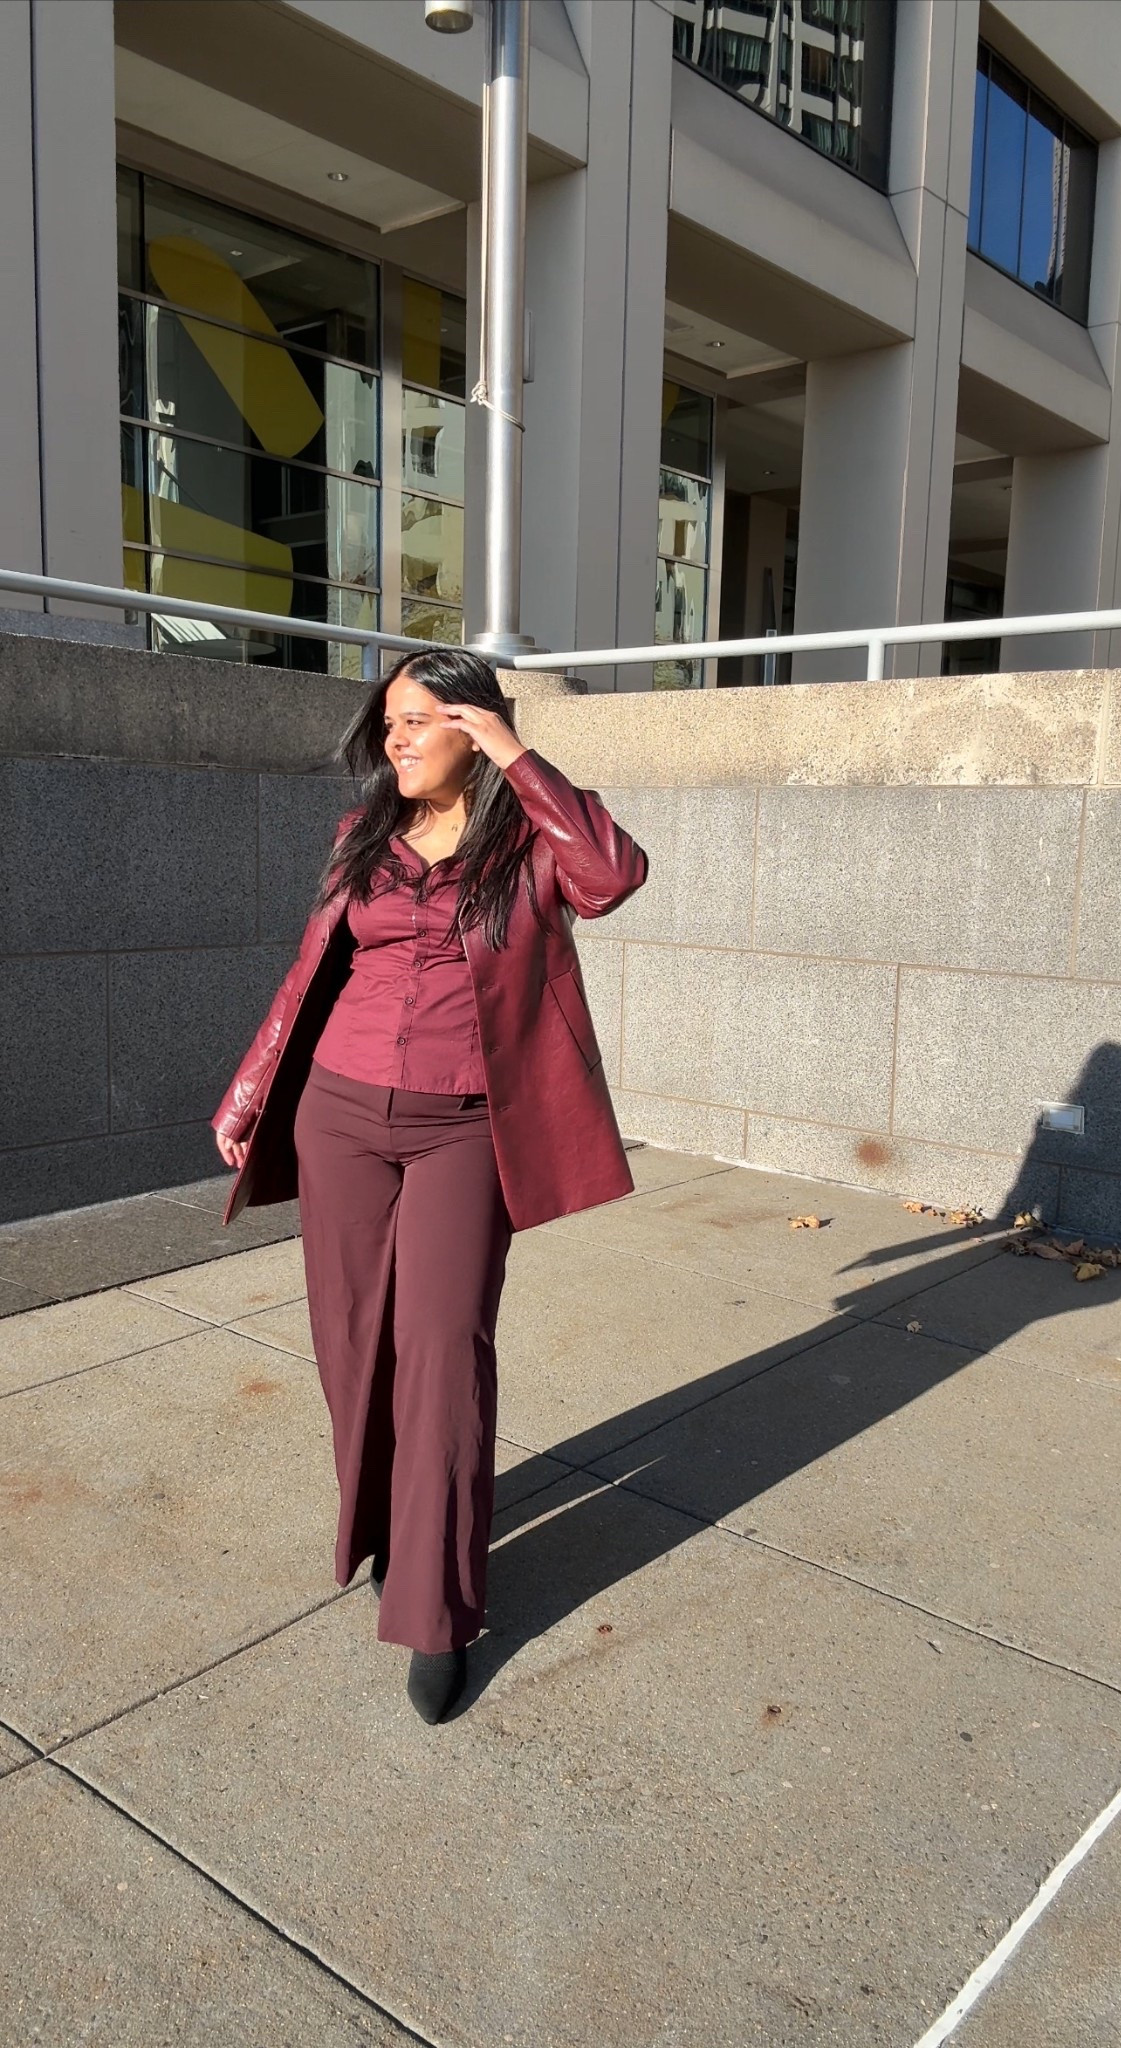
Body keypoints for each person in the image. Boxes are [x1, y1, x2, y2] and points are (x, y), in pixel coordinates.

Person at [211, 649, 648, 1723]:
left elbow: (612, 874)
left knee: (444, 1355)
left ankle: (439, 1610)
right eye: (390, 722)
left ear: (473, 725)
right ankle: (390, 1534)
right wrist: (251, 1087)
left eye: (420, 719)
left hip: (465, 1128)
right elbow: (314, 967)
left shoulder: (531, 842)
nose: (395, 739)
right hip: (339, 1113)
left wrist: (513, 745)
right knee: (354, 1339)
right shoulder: (366, 838)